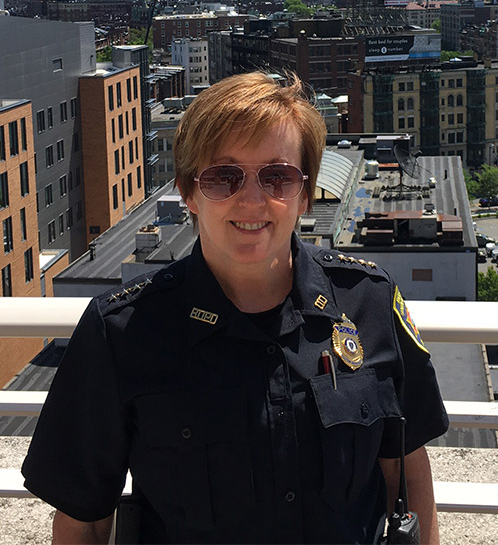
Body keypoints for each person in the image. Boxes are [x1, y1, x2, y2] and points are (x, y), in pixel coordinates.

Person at [22, 72, 448, 544]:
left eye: (277, 176)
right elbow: (84, 518)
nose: (251, 199)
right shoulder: (122, 332)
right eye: (224, 177)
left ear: (304, 195)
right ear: (188, 192)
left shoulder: (367, 301)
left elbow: (406, 471)